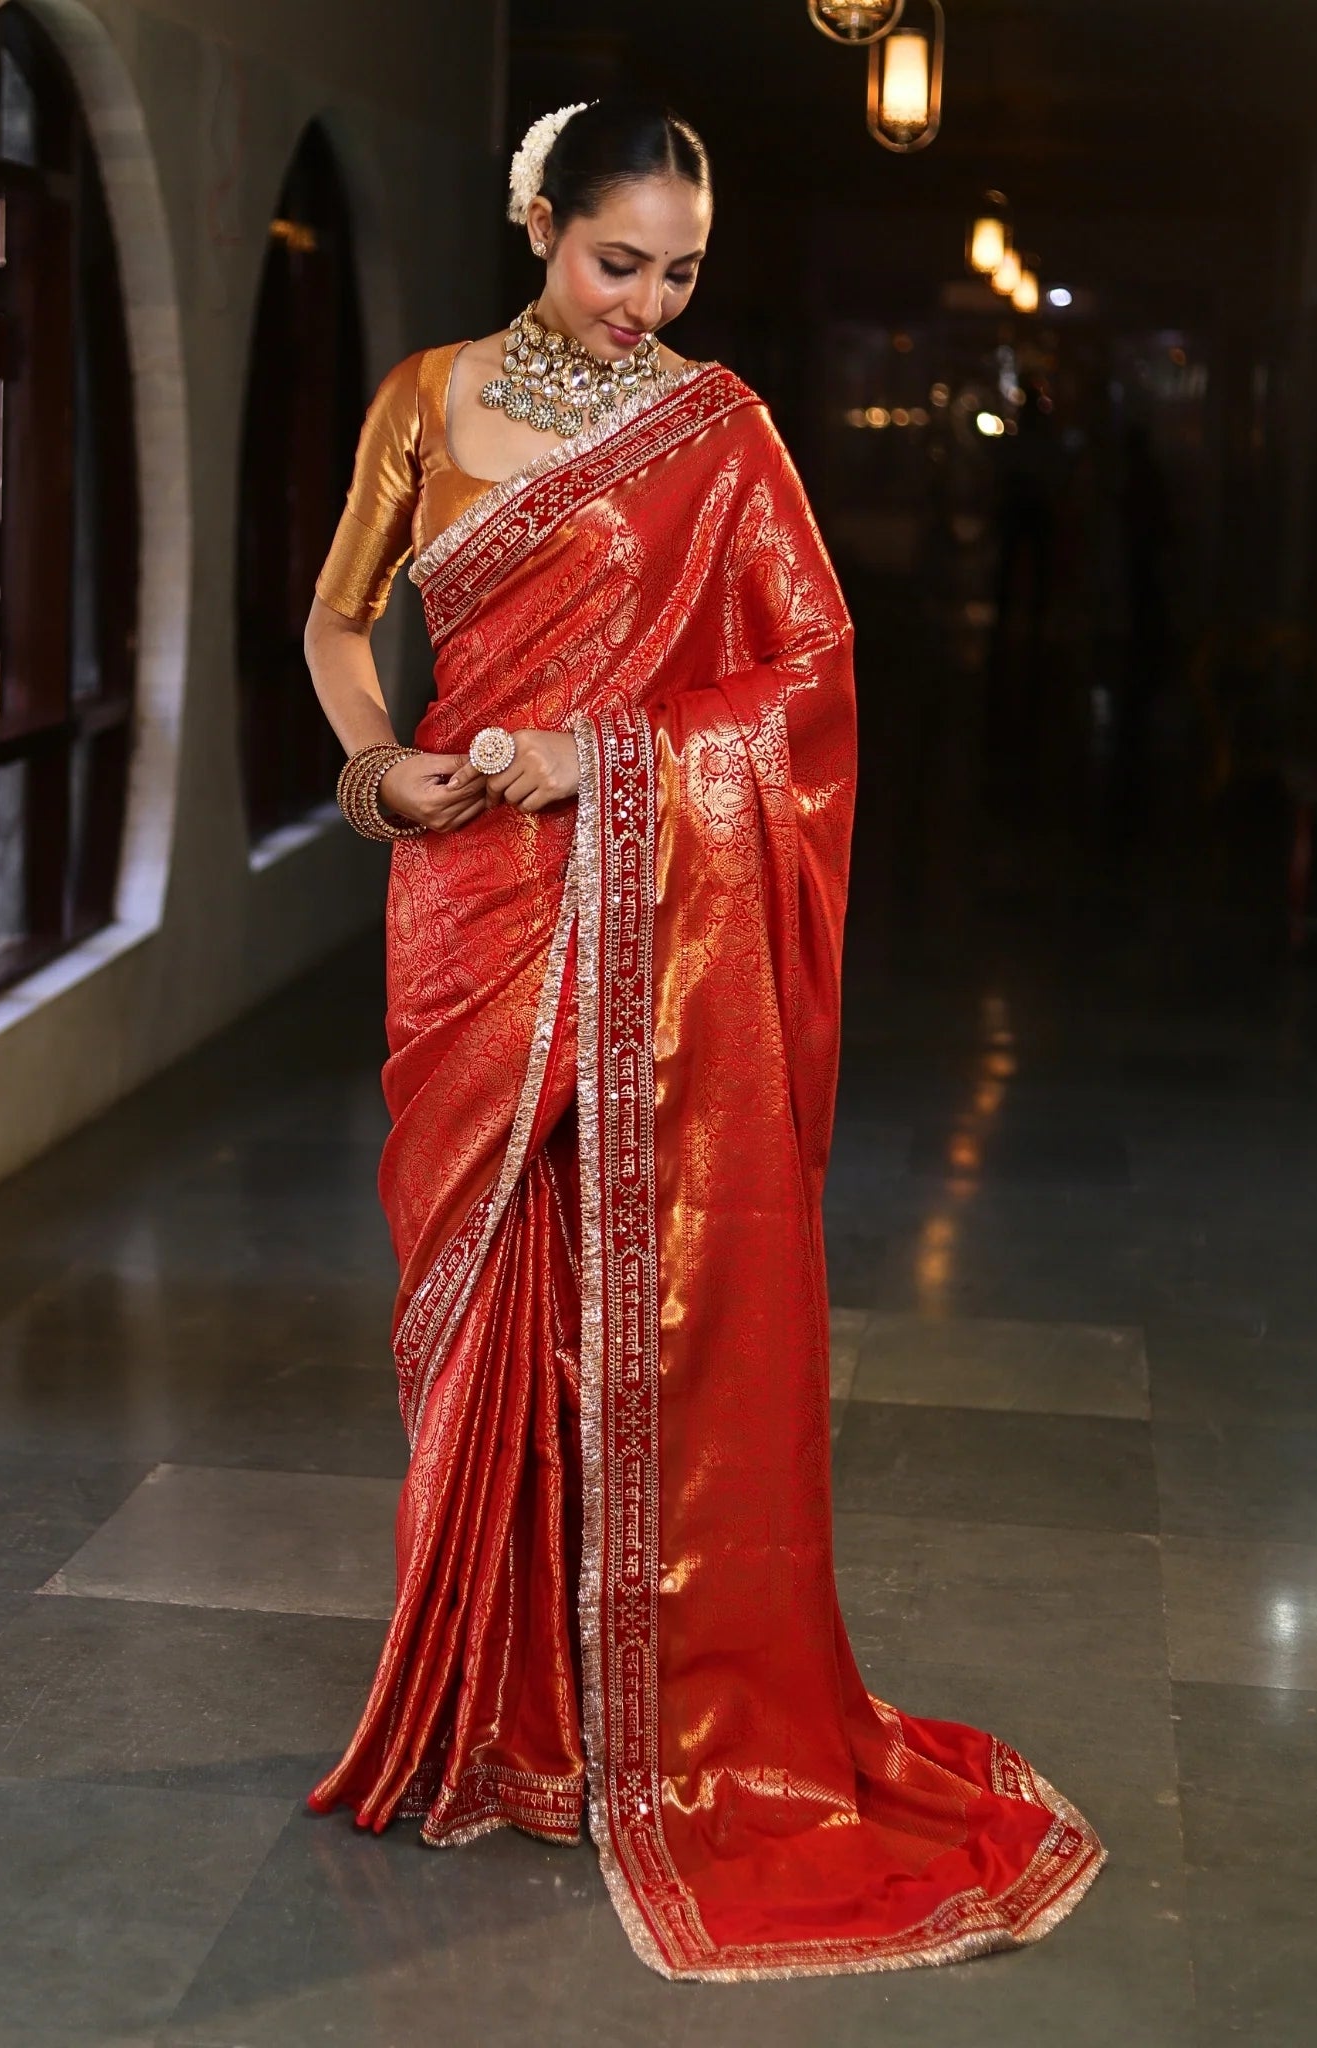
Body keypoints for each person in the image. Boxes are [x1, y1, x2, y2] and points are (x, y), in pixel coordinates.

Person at [301, 96, 1106, 1982]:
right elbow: (343, 624)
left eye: (677, 272)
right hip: (466, 899)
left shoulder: (721, 430)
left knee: (634, 1290)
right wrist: (371, 764)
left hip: (639, 893)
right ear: (536, 221)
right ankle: (493, 1723)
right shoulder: (421, 400)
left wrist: (608, 755)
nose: (643, 305)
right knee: (480, 1294)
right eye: (614, 263)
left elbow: (812, 673)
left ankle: (625, 1725)